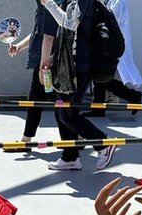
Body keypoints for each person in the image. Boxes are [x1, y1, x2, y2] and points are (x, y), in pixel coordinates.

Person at [41, 0, 117, 170]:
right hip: (67, 65)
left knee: (68, 114)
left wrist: (49, 3)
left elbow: (69, 24)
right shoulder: (70, 1)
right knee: (61, 111)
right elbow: (67, 35)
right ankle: (70, 157)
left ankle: (103, 143)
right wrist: (53, 58)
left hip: (80, 66)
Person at [4, 0, 60, 153]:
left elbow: (49, 37)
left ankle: (78, 138)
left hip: (47, 63)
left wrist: (43, 67)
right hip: (44, 62)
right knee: (45, 101)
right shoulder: (44, 7)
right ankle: (27, 139)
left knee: (56, 102)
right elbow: (37, 33)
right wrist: (19, 46)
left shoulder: (49, 6)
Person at [84, 0, 142, 118]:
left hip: (108, 45)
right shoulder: (109, 3)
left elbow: (109, 21)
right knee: (100, 77)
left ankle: (132, 96)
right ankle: (98, 109)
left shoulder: (117, 3)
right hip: (106, 44)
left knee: (102, 77)